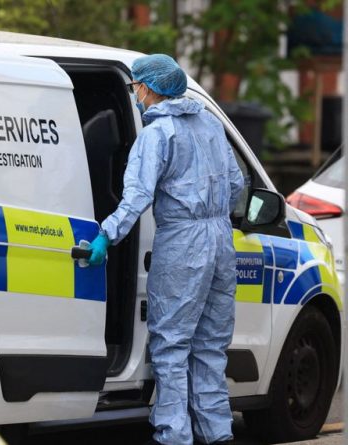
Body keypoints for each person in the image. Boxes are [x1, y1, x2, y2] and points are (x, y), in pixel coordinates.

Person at [88, 54, 244, 445]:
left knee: (172, 345)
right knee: (210, 346)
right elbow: (237, 184)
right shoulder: (210, 124)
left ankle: (174, 436)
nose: (135, 94)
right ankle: (218, 434)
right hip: (220, 239)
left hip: (184, 243)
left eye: (135, 86)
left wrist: (107, 234)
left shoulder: (157, 136)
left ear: (149, 87)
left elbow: (137, 195)